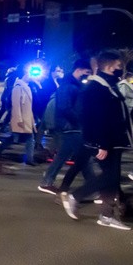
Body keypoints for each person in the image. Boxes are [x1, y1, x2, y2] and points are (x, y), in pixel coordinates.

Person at [61, 51, 133, 230]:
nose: (121, 69)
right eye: (119, 66)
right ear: (110, 66)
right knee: (110, 177)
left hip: (113, 140)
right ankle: (77, 197)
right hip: (107, 141)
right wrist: (101, 144)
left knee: (111, 178)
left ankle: (107, 213)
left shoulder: (108, 84)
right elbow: (97, 118)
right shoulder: (97, 88)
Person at [38, 59, 94, 194]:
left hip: (71, 126)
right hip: (70, 126)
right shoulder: (68, 85)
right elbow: (65, 107)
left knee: (63, 155)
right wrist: (79, 120)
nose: (87, 75)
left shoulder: (74, 84)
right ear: (78, 70)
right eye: (86, 72)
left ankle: (47, 181)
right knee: (84, 158)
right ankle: (94, 188)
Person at [1, 64, 37, 166]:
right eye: (29, 74)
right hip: (21, 119)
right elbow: (16, 105)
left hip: (27, 118)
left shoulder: (27, 87)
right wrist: (19, 120)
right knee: (14, 138)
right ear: (24, 75)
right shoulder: (18, 87)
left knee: (28, 139)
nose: (31, 77)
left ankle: (30, 159)